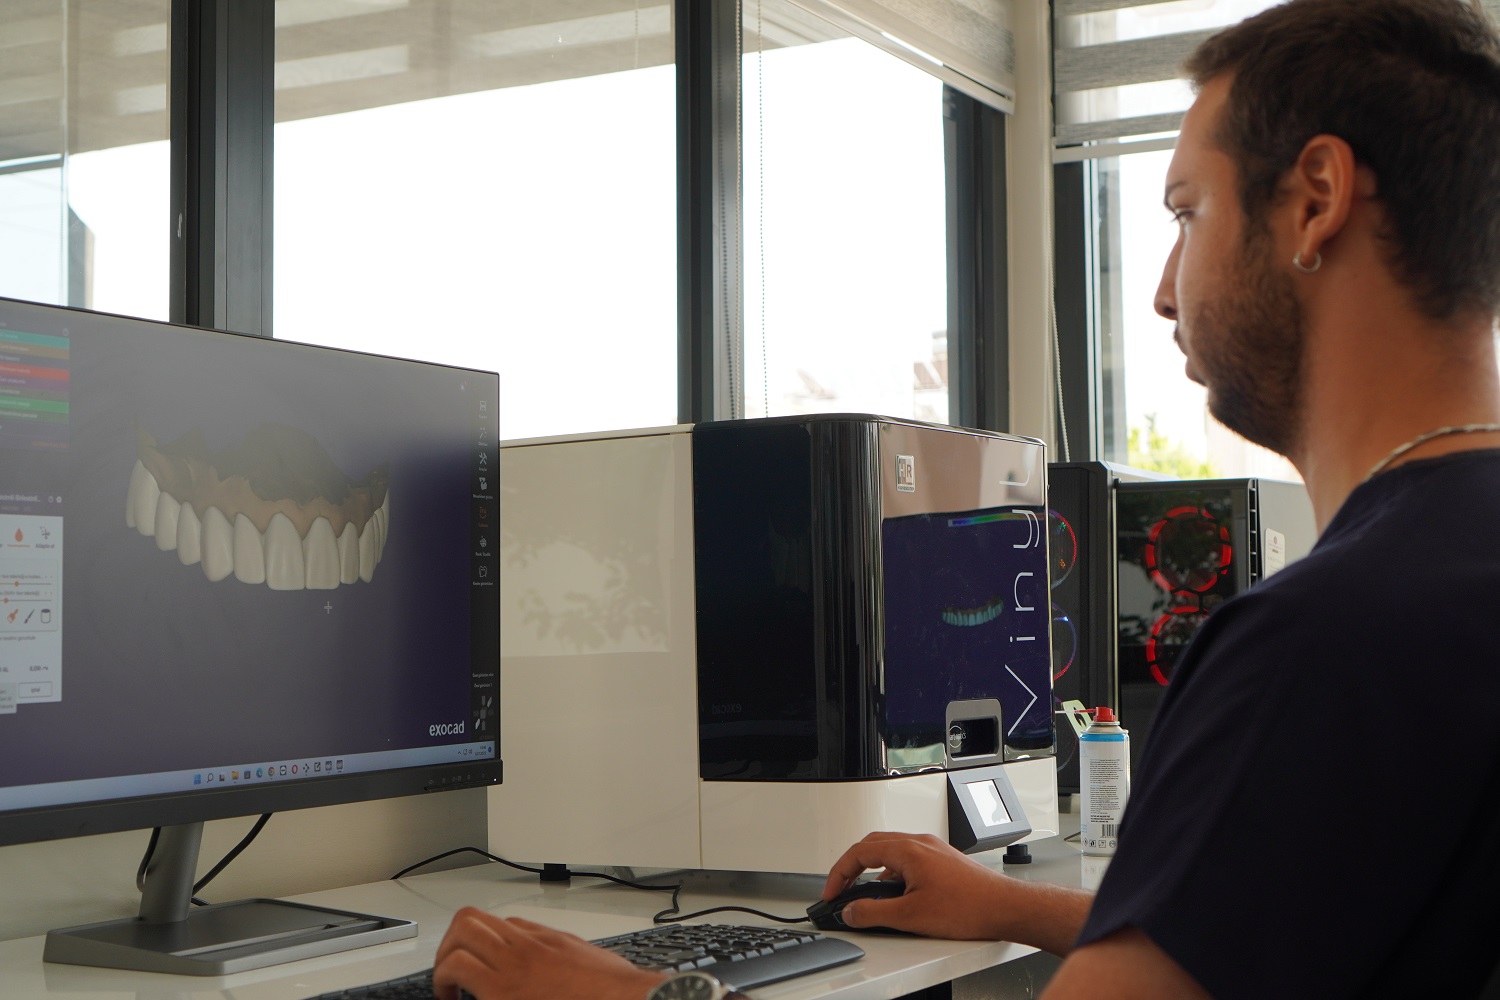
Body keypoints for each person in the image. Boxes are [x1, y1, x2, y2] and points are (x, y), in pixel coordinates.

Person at [430, 1, 1500, 996]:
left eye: (1188, 212)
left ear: (1316, 200)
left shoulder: (1325, 643)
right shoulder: (1445, 584)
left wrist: (642, 993)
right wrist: (1015, 906)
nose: (1165, 289)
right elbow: (1300, 916)